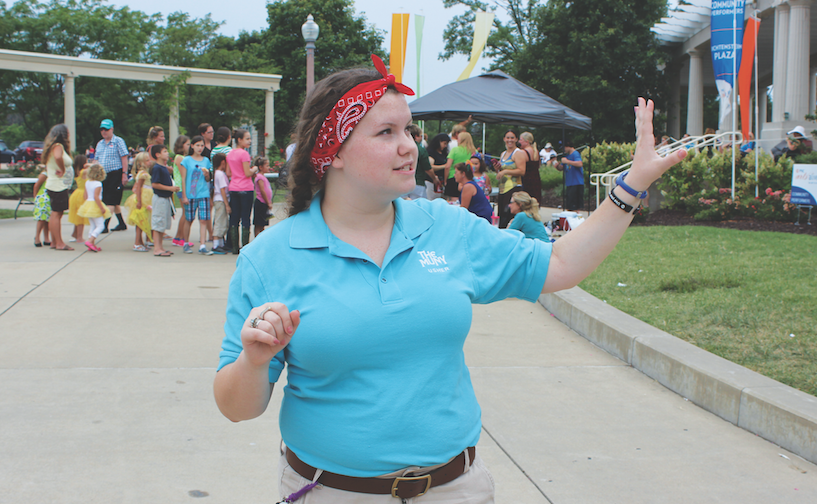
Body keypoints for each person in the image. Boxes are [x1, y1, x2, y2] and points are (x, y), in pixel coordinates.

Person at [213, 54, 686, 503]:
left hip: (456, 490)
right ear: (332, 152)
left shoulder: (446, 226)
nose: (409, 146)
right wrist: (255, 361)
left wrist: (632, 187)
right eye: (386, 132)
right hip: (330, 492)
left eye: (409, 130)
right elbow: (236, 407)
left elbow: (560, 264)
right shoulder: (269, 258)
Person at [43, 124, 75, 250]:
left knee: (55, 214)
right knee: (57, 214)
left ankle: (54, 242)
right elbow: (57, 157)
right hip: (57, 185)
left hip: (55, 184)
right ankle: (60, 243)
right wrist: (62, 169)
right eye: (67, 132)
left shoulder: (51, 147)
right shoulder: (58, 146)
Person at [226, 129, 258, 254]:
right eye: (247, 138)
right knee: (245, 218)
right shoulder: (244, 154)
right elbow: (247, 172)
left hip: (233, 187)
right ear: (239, 140)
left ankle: (234, 247)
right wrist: (255, 168)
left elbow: (228, 172)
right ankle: (245, 246)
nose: (249, 141)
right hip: (246, 188)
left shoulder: (230, 154)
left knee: (234, 218)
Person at [180, 136, 213, 255]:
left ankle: (203, 245)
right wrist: (184, 196)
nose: (200, 148)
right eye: (197, 145)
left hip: (203, 193)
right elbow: (183, 179)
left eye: (202, 145)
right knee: (189, 219)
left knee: (203, 219)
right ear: (192, 146)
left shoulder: (206, 161)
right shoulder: (186, 160)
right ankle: (186, 243)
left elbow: (208, 179)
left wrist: (206, 174)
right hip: (190, 194)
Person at [95, 119, 129, 233]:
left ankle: (104, 225)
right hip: (103, 175)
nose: (104, 132)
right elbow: (96, 159)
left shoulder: (118, 141)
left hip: (115, 173)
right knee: (112, 201)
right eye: (102, 129)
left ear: (112, 129)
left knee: (110, 201)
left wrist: (124, 174)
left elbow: (124, 157)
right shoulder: (100, 144)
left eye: (106, 129)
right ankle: (121, 223)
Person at [149, 144, 179, 257]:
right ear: (157, 155)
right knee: (158, 223)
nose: (167, 153)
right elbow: (155, 184)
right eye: (165, 151)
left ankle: (160, 247)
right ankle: (157, 248)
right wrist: (170, 188)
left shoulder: (164, 167)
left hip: (166, 199)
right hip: (160, 199)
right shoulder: (157, 168)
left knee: (162, 224)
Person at [77, 163, 111, 252]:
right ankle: (90, 241)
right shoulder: (98, 184)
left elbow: (85, 195)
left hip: (88, 203)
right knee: (100, 226)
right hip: (95, 205)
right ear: (100, 174)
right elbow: (96, 197)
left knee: (93, 225)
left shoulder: (88, 182)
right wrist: (101, 208)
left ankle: (91, 244)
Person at [496, 129, 527, 228]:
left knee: (509, 215)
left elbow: (522, 171)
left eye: (512, 138)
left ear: (516, 139)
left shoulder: (518, 153)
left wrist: (505, 171)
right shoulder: (503, 154)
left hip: (513, 188)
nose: (510, 140)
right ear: (504, 139)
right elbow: (503, 169)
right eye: (508, 137)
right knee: (501, 215)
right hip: (502, 188)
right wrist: (498, 169)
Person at [124, 152, 153, 252]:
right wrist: (139, 201)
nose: (150, 162)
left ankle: (141, 242)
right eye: (147, 160)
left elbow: (134, 188)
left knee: (144, 221)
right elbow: (138, 188)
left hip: (146, 198)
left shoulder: (144, 173)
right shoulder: (143, 174)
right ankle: (137, 243)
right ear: (141, 163)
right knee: (141, 221)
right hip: (143, 199)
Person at [171, 135, 192, 251]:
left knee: (186, 213)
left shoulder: (184, 157)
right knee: (185, 213)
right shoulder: (180, 158)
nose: (189, 146)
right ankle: (180, 237)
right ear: (181, 145)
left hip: (185, 188)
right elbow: (184, 172)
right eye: (187, 144)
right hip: (181, 188)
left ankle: (180, 237)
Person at [443, 131, 477, 201]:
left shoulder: (455, 150)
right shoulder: (474, 152)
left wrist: (445, 180)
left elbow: (447, 166)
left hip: (454, 176)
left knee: (454, 200)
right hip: (468, 178)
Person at [406, 124, 437, 200]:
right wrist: (434, 179)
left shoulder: (401, 147)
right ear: (416, 136)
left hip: (402, 182)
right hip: (418, 183)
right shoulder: (420, 149)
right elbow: (428, 169)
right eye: (420, 136)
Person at [556, 140, 584, 211]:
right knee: (569, 204)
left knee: (574, 205)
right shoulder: (566, 156)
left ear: (568, 146)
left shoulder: (575, 154)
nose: (563, 150)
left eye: (563, 148)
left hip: (576, 182)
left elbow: (580, 164)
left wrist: (567, 161)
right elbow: (562, 167)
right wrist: (557, 166)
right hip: (569, 182)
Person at [211, 153, 230, 254]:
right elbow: (222, 189)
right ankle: (215, 245)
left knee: (223, 221)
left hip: (219, 199)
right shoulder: (220, 174)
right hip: (221, 200)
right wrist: (227, 204)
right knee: (219, 221)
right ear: (223, 162)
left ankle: (220, 243)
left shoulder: (217, 173)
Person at [67, 154, 89, 243]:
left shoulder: (77, 171)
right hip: (82, 194)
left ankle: (75, 233)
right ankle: (80, 237)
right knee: (81, 217)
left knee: (77, 215)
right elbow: (95, 168)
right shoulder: (84, 171)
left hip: (77, 193)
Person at [252, 156, 274, 237]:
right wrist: (268, 202)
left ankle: (261, 237)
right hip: (261, 202)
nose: (269, 167)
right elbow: (262, 190)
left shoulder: (263, 177)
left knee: (262, 223)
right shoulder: (259, 177)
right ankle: (257, 238)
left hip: (264, 203)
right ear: (260, 167)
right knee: (258, 224)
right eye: (267, 165)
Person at [519, 132, 542, 204]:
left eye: (521, 140)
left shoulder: (523, 152)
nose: (519, 142)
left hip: (526, 180)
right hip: (536, 178)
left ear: (527, 141)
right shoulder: (536, 151)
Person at [32, 165, 51, 247]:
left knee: (47, 219)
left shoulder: (53, 174)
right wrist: (36, 197)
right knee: (42, 218)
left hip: (50, 197)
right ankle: (37, 237)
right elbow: (36, 185)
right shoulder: (44, 174)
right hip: (43, 197)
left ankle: (46, 238)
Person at [427, 133, 450, 199]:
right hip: (432, 182)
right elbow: (430, 167)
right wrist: (444, 166)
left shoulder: (444, 153)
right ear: (439, 141)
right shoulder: (431, 152)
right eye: (444, 143)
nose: (445, 146)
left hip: (441, 182)